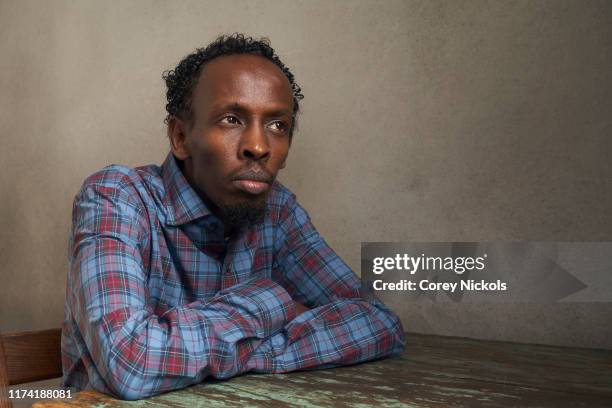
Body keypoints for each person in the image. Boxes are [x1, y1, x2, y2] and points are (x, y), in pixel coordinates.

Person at [61, 33, 406, 400]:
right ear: (180, 136)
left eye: (278, 125)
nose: (258, 146)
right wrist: (274, 301)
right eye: (231, 119)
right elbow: (132, 363)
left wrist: (243, 351)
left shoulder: (278, 210)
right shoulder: (116, 197)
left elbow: (379, 324)